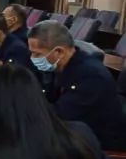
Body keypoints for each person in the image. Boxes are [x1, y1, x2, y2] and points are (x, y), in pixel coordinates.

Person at [28, 20, 126, 150]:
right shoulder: (58, 66)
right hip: (73, 136)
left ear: (59, 52)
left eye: (37, 53)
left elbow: (60, 116)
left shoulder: (90, 76)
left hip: (99, 148)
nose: (32, 58)